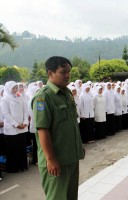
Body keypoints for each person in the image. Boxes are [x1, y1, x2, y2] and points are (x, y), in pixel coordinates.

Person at [32, 56, 84, 200]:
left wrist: (78, 148)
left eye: (69, 72)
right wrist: (50, 158)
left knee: (71, 197)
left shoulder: (67, 93)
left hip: (71, 159)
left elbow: (71, 124)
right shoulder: (43, 97)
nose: (67, 75)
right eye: (63, 72)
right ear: (50, 73)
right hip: (56, 162)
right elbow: (43, 129)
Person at [1, 81, 28, 173]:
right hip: (11, 129)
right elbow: (6, 114)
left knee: (21, 148)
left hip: (22, 127)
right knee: (13, 149)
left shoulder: (20, 97)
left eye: (16, 87)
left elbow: (25, 111)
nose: (15, 89)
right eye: (13, 88)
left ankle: (22, 166)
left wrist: (25, 122)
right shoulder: (5, 99)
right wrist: (16, 124)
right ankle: (14, 168)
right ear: (8, 89)